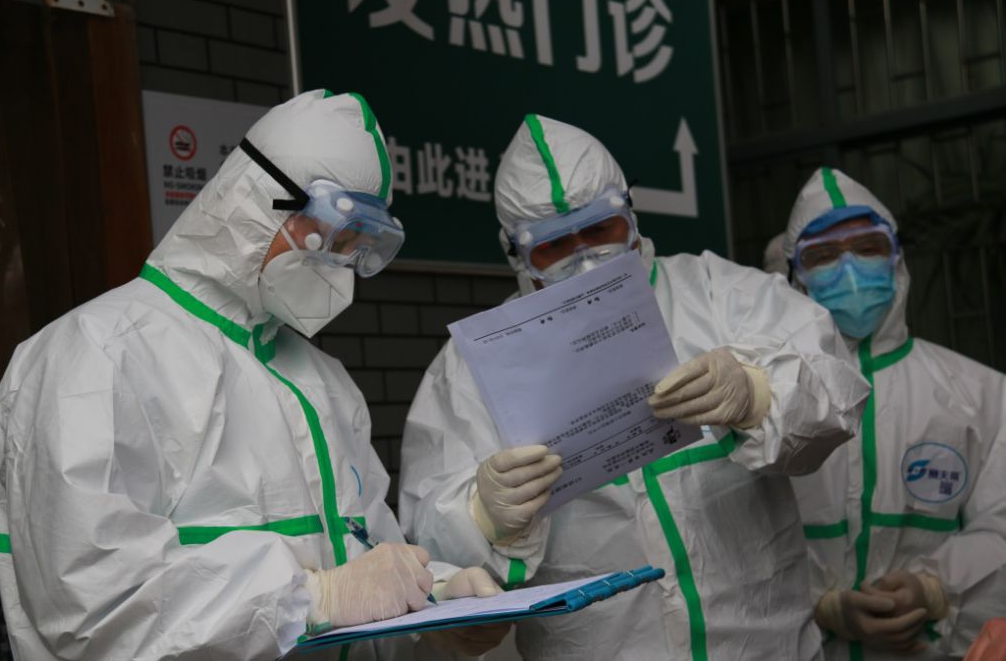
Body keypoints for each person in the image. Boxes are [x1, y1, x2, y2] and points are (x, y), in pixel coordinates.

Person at [0, 90, 508, 660]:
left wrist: (436, 606)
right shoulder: (95, 355)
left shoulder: (325, 383)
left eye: (355, 251)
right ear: (255, 202)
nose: (339, 271)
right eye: (331, 240)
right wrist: (312, 598)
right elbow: (89, 605)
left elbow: (367, 574)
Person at [399, 114, 870, 660]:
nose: (586, 256)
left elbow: (838, 388)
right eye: (554, 246)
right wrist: (481, 515)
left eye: (601, 230)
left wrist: (759, 392)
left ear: (631, 217)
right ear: (516, 255)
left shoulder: (718, 293)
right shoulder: (471, 369)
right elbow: (431, 546)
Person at [784, 167, 1006, 660]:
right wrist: (820, 606)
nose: (848, 268)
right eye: (823, 255)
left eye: (868, 247)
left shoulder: (983, 395)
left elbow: (1003, 525)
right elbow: (735, 548)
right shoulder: (767, 404)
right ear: (796, 276)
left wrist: (935, 591)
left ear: (897, 259)